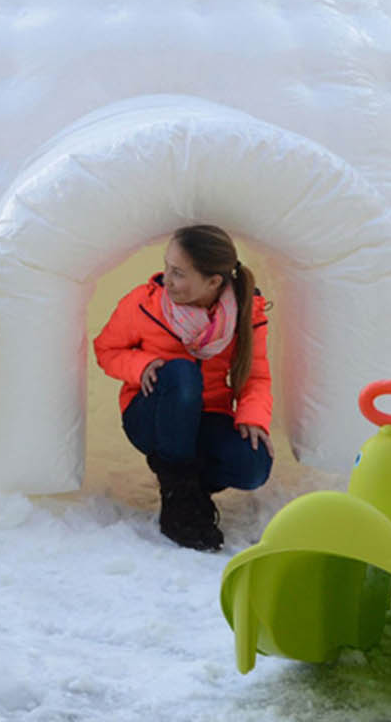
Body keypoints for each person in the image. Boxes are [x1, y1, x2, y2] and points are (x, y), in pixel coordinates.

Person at [93, 224, 273, 551]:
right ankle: (180, 504)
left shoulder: (243, 313)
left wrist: (252, 418)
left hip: (208, 417)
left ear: (213, 282)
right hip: (152, 415)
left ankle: (186, 490)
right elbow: (106, 350)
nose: (166, 279)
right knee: (182, 373)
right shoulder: (143, 303)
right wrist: (141, 365)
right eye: (167, 267)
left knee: (254, 464)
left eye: (178, 273)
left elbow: (256, 376)